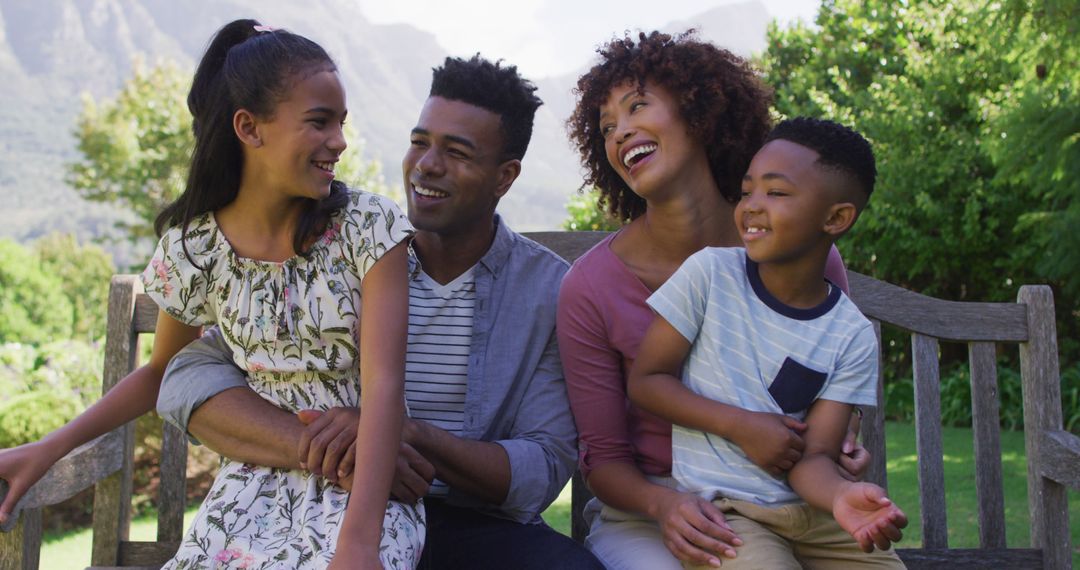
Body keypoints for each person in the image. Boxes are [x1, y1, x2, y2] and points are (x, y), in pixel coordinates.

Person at [153, 55, 604, 570]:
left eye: (456, 152)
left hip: (471, 525)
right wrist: (330, 447)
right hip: (333, 505)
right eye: (419, 142)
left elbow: (541, 468)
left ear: (505, 177)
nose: (426, 165)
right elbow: (189, 372)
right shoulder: (347, 251)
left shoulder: (546, 289)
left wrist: (401, 433)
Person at [0, 19, 422, 569]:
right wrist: (49, 447)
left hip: (363, 488)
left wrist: (360, 545)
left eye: (341, 123)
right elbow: (159, 374)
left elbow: (385, 388)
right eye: (319, 123)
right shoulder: (196, 247)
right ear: (249, 128)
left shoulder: (370, 227)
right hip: (249, 486)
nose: (339, 141)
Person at [558, 30, 870, 569]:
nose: (621, 131)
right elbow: (604, 462)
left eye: (637, 107)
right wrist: (667, 504)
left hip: (786, 502)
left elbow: (824, 376)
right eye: (607, 127)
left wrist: (837, 442)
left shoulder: (794, 248)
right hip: (653, 512)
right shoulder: (591, 287)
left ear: (699, 110)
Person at [627, 118, 906, 568]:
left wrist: (841, 495)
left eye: (775, 193)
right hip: (726, 512)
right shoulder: (710, 275)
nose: (752, 206)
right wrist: (741, 425)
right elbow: (647, 381)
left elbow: (814, 457)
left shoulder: (850, 334)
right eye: (748, 190)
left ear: (835, 218)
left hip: (816, 515)